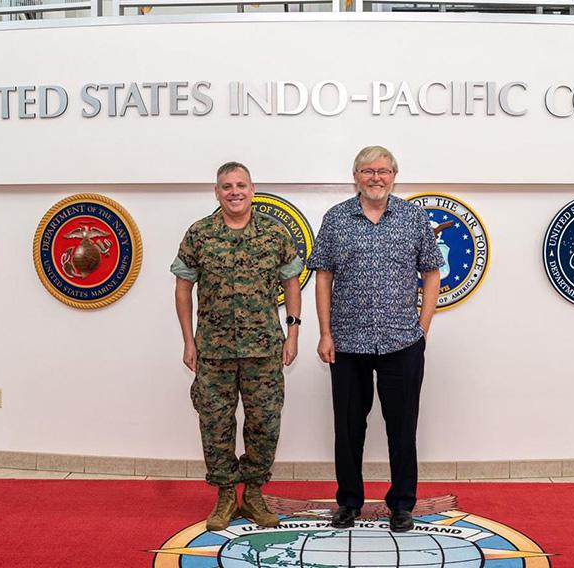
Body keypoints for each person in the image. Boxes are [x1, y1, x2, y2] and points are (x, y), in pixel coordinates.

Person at [308, 146, 443, 532]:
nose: (376, 177)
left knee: (403, 427)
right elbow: (323, 277)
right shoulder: (336, 219)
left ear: (394, 175)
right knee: (348, 428)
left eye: (383, 171)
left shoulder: (413, 218)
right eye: (368, 171)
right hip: (347, 344)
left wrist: (423, 325)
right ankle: (348, 502)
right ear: (356, 176)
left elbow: (431, 273)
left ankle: (402, 504)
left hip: (402, 342)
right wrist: (325, 332)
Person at [171, 161, 303, 531]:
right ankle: (227, 495)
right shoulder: (199, 234)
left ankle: (256, 493)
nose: (234, 192)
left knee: (264, 423)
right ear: (217, 191)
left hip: (265, 350)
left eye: (240, 185)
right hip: (213, 351)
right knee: (215, 424)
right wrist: (188, 340)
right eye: (226, 186)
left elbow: (292, 284)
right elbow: (183, 288)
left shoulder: (275, 234)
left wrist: (293, 333)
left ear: (252, 189)